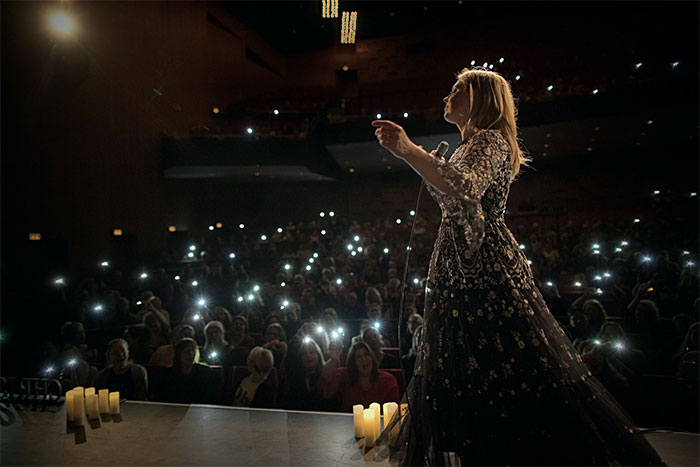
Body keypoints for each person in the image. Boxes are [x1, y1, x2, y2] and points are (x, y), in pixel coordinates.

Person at [370, 66, 663, 466]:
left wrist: (410, 150)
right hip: (458, 265)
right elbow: (452, 193)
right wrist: (411, 156)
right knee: (473, 365)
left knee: (501, 360)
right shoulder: (467, 146)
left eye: (457, 89)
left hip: (485, 269)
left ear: (482, 98)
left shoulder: (491, 140)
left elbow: (466, 187)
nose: (447, 96)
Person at [321, 341, 399, 413]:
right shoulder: (345, 375)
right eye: (358, 357)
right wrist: (334, 359)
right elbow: (326, 379)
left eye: (366, 354)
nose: (364, 359)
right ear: (353, 363)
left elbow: (393, 412)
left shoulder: (387, 380)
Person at [156, 337, 214, 404]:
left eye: (193, 351)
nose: (191, 354)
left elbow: (209, 396)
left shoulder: (206, 372)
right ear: (179, 354)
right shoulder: (168, 374)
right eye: (186, 351)